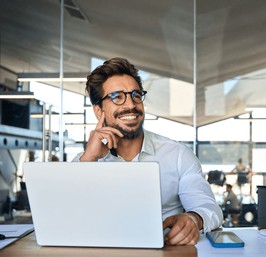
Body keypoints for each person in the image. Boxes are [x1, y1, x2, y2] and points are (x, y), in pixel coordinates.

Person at [72, 57, 223, 245]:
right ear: (98, 111)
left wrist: (194, 219)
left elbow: (209, 208)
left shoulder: (177, 155)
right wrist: (90, 159)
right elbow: (67, 214)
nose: (131, 105)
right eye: (117, 97)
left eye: (136, 95)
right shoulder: (84, 161)